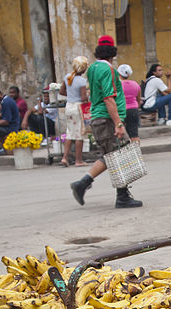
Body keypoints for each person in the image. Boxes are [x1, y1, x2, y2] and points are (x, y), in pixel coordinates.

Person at [69, 35, 141, 209]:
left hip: (98, 117)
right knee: (118, 155)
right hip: (107, 119)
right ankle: (115, 194)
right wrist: (118, 123)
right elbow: (109, 98)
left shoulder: (93, 68)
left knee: (113, 155)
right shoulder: (108, 70)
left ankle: (88, 185)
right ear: (113, 53)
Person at [60, 56, 89, 167]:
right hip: (78, 108)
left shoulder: (67, 77)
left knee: (69, 133)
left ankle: (65, 158)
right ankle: (78, 160)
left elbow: (62, 92)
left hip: (69, 106)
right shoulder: (81, 81)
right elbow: (83, 98)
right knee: (79, 135)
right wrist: (87, 96)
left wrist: (71, 95)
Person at [118, 63, 141, 142]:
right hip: (133, 109)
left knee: (120, 133)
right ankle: (136, 153)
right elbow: (139, 99)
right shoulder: (135, 84)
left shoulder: (117, 85)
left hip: (121, 110)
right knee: (134, 134)